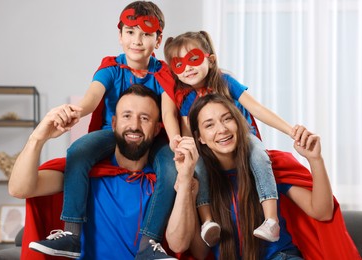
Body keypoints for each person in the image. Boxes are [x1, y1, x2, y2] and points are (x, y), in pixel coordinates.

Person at [27, 1, 182, 258]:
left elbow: (168, 111)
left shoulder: (163, 73)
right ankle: (72, 234)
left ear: (158, 39)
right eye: (130, 32)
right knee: (78, 150)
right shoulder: (111, 68)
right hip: (112, 133)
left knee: (169, 168)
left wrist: (176, 140)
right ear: (120, 36)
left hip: (153, 135)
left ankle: (149, 244)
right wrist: (74, 112)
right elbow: (91, 98)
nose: (137, 40)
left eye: (145, 34)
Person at [166, 94, 360, 259]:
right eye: (209, 125)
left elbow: (322, 212)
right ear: (199, 137)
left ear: (239, 123)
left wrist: (315, 160)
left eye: (227, 119)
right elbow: (198, 252)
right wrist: (185, 184)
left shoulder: (268, 166)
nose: (222, 129)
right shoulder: (198, 181)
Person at [9, 84, 182, 259]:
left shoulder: (166, 183)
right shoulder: (83, 174)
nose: (134, 125)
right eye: (127, 116)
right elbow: (19, 189)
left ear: (157, 128)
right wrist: (38, 138)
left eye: (144, 118)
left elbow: (182, 244)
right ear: (113, 123)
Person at [163, 31, 303, 243]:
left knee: (259, 156)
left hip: (244, 138)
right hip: (211, 149)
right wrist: (184, 152)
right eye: (179, 64)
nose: (188, 67)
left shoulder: (225, 82)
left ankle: (271, 220)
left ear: (210, 60)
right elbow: (187, 131)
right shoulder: (185, 97)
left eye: (193, 59)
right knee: (198, 167)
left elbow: (256, 108)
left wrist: (290, 130)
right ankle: (208, 220)